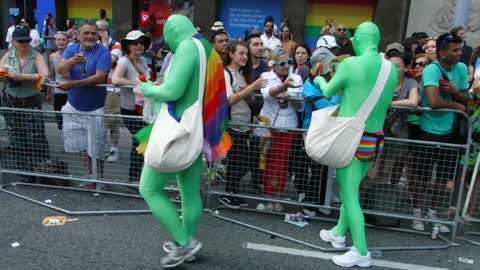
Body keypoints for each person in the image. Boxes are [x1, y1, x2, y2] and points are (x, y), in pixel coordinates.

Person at [137, 15, 230, 267]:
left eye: (168, 41)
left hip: (179, 128)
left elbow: (172, 91)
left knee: (148, 188)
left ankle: (184, 243)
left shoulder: (187, 47)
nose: (169, 47)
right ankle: (185, 242)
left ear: (173, 31)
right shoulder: (207, 48)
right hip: (198, 130)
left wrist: (149, 89)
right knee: (189, 193)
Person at [314, 22, 397, 268]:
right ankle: (339, 233)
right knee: (354, 188)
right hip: (375, 138)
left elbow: (329, 90)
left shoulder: (350, 64)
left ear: (360, 38)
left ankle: (361, 251)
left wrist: (319, 80)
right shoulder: (390, 69)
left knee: (349, 195)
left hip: (352, 137)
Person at [414, 33, 469, 233]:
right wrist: (455, 103)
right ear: (441, 52)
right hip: (430, 130)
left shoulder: (462, 68)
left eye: (460, 49)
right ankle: (417, 211)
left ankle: (434, 212)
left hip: (452, 132)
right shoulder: (431, 70)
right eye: (454, 50)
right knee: (422, 176)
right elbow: (434, 102)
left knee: (444, 176)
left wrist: (455, 94)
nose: (459, 53)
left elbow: (465, 99)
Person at [56, 19, 112, 190]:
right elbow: (61, 70)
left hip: (95, 107)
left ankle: (100, 178)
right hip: (74, 105)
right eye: (86, 33)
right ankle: (89, 176)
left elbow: (99, 78)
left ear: (98, 35)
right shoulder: (72, 49)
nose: (90, 36)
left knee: (96, 146)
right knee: (82, 146)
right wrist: (73, 61)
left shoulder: (103, 52)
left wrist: (73, 84)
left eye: (93, 33)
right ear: (79, 35)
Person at [219, 41, 267, 208]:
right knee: (241, 161)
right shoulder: (225, 73)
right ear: (231, 54)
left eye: (246, 54)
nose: (245, 57)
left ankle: (232, 193)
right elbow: (229, 100)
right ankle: (228, 192)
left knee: (239, 161)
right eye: (241, 53)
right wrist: (251, 87)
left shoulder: (240, 73)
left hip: (244, 124)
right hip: (232, 125)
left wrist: (250, 94)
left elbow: (243, 97)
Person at [0, 25, 50, 179]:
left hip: (31, 100)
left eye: (27, 40)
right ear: (13, 42)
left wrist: (22, 77)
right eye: (21, 41)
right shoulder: (9, 56)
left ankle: (40, 167)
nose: (24, 44)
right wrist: (6, 76)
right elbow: (1, 72)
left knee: (35, 134)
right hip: (12, 99)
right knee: (16, 135)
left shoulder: (36, 55)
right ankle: (23, 169)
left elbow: (45, 75)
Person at [257, 46, 303, 210]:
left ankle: (277, 195)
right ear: (273, 64)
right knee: (267, 160)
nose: (286, 65)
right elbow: (266, 94)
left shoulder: (296, 78)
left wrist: (291, 97)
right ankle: (268, 195)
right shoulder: (266, 75)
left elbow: (300, 107)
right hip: (269, 125)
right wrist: (282, 88)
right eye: (282, 62)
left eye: (289, 62)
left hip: (289, 125)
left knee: (282, 162)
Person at [296, 46, 340, 216]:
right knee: (315, 169)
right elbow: (328, 107)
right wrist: (339, 92)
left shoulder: (330, 80)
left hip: (328, 129)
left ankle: (323, 200)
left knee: (326, 168)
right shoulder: (310, 85)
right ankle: (311, 201)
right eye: (330, 64)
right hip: (313, 130)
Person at [112, 30, 151, 184]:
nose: (139, 45)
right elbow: (116, 79)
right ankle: (134, 179)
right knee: (141, 141)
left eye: (142, 42)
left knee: (143, 142)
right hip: (130, 109)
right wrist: (137, 84)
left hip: (144, 109)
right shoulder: (123, 61)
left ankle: (139, 178)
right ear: (128, 45)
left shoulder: (143, 61)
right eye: (135, 42)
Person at [96, 19, 123, 162]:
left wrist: (105, 45)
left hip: (111, 88)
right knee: (99, 120)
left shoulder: (115, 45)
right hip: (97, 87)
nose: (95, 32)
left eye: (99, 29)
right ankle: (103, 146)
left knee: (112, 121)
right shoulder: (95, 45)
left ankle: (114, 150)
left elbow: (108, 61)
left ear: (105, 31)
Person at [49, 32, 69, 130]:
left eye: (63, 40)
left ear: (68, 41)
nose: (61, 42)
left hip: (71, 90)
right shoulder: (52, 56)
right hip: (58, 91)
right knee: (60, 122)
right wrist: (48, 92)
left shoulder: (73, 56)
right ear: (55, 42)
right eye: (59, 40)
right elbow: (51, 75)